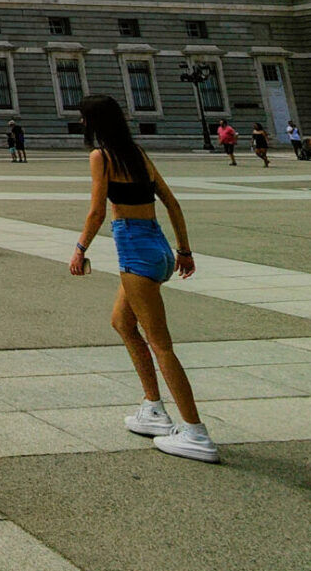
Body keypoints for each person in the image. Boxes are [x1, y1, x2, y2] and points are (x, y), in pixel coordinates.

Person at [67, 95, 217, 463]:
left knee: (160, 343)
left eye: (84, 119)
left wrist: (79, 247)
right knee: (122, 322)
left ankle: (196, 432)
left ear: (94, 122)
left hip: (136, 251)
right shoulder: (136, 152)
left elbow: (97, 211)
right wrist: (184, 250)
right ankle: (153, 408)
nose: (82, 124)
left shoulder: (101, 157)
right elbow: (172, 203)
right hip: (159, 246)